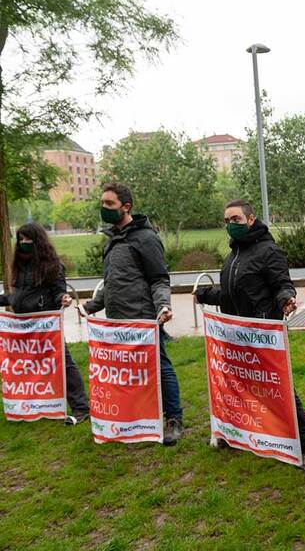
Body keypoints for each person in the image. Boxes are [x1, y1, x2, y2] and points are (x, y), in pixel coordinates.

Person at [194, 200, 305, 472]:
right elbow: (232, 295)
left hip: (263, 335)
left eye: (236, 219)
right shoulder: (231, 258)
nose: (231, 224)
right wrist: (206, 295)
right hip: (236, 338)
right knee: (237, 388)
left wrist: (287, 298)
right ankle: (236, 433)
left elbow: (281, 284)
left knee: (281, 389)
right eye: (227, 220)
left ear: (251, 220)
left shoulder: (268, 251)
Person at [81, 182, 184, 446]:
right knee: (126, 373)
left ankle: (174, 419)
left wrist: (163, 306)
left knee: (161, 367)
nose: (103, 207)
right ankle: (133, 418)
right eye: (102, 203)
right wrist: (92, 306)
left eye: (109, 204)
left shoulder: (146, 239)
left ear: (126, 207)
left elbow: (159, 278)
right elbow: (112, 281)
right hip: (117, 322)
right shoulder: (113, 240)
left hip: (144, 320)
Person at [0, 223, 90, 425]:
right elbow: (18, 296)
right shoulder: (19, 266)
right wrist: (7, 300)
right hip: (23, 326)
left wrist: (63, 299)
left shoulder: (53, 266)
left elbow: (58, 291)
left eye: (28, 239)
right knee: (25, 366)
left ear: (38, 241)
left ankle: (81, 408)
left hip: (46, 326)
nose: (23, 243)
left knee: (63, 363)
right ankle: (33, 404)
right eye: (20, 239)